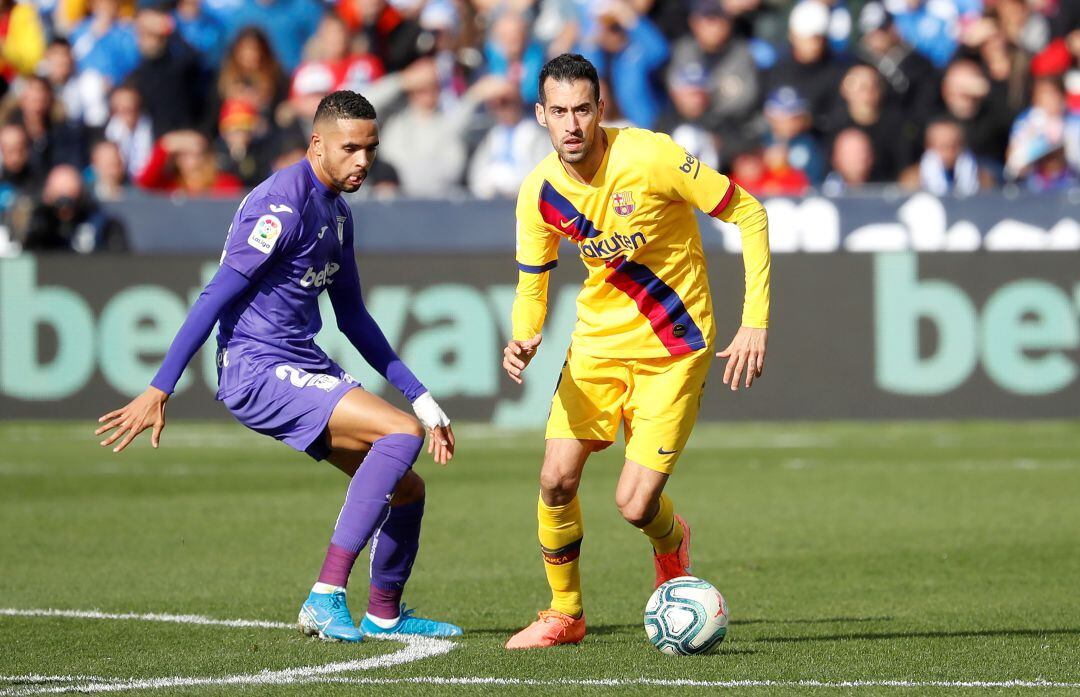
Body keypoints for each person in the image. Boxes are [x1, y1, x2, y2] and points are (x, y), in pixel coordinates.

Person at [95, 90, 462, 643]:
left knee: (407, 489)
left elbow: (354, 318)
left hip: (301, 361)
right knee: (400, 434)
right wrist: (160, 386)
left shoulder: (337, 213)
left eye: (371, 149)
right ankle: (326, 595)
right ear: (317, 145)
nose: (364, 161)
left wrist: (420, 394)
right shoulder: (281, 203)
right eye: (351, 149)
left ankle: (384, 612)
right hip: (256, 366)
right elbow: (215, 295)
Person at [502, 54, 770, 649]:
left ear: (600, 109)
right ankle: (564, 613)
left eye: (582, 110)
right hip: (596, 347)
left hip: (674, 348)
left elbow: (749, 213)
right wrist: (525, 332)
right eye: (558, 112)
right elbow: (532, 278)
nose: (571, 124)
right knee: (555, 480)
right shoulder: (539, 191)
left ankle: (672, 542)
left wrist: (754, 321)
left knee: (633, 503)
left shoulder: (651, 156)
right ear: (540, 115)